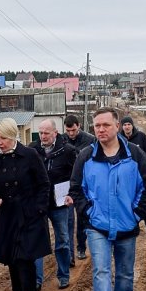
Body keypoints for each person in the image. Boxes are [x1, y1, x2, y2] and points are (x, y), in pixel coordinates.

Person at [69, 107, 146, 291]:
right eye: (97, 125)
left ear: (117, 126)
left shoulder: (134, 154)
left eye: (106, 125)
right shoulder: (86, 156)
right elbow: (76, 189)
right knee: (101, 271)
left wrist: (137, 214)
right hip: (97, 226)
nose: (101, 129)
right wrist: (89, 211)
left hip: (127, 225)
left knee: (125, 273)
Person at [0, 118, 52, 291]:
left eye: (3, 138)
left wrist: (38, 210)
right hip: (7, 218)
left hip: (28, 217)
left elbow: (44, 184)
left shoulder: (30, 155)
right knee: (12, 263)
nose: (0, 142)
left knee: (25, 262)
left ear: (13, 136)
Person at [31, 119, 76, 290]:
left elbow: (76, 175)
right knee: (37, 241)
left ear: (55, 133)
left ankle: (63, 275)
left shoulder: (67, 151)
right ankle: (36, 280)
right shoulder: (32, 150)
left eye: (46, 133)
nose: (43, 136)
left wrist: (72, 193)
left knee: (62, 239)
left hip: (59, 203)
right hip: (39, 203)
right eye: (41, 133)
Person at [63, 114, 96, 265]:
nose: (71, 133)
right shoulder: (62, 140)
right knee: (68, 219)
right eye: (68, 130)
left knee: (82, 216)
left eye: (73, 130)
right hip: (67, 184)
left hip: (84, 184)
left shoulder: (90, 140)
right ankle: (69, 254)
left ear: (79, 126)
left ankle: (81, 247)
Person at [118, 116, 146, 233]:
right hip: (127, 174)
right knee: (131, 199)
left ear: (132, 125)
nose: (127, 127)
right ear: (121, 127)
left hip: (141, 172)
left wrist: (143, 162)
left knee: (144, 197)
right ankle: (135, 223)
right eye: (125, 125)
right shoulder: (119, 138)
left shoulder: (141, 136)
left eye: (129, 124)